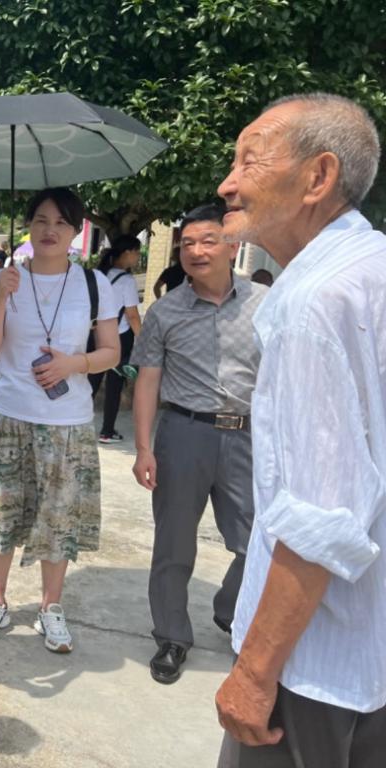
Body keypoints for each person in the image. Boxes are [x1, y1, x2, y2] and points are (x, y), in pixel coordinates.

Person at [214, 94, 386, 766]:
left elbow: (322, 514)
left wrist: (255, 673)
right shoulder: (371, 269)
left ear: (318, 177)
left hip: (314, 665)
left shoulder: (313, 303)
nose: (226, 184)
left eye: (249, 160)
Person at [0, 188, 120, 652]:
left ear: (75, 232)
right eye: (40, 220)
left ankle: (51, 606)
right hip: (8, 412)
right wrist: (0, 296)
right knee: (2, 512)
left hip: (67, 421)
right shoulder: (4, 278)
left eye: (61, 222)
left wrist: (73, 364)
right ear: (29, 226)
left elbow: (111, 352)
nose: (49, 230)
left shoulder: (94, 284)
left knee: (58, 516)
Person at [130, 203, 266, 685]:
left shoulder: (266, 302)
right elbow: (148, 381)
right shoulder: (165, 311)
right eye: (187, 243)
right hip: (184, 433)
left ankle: (231, 609)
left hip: (248, 435)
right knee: (174, 542)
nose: (196, 251)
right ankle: (171, 635)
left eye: (208, 240)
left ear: (232, 245)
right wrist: (143, 447)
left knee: (259, 539)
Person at [89, 235, 142, 442]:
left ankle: (76, 425)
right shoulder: (126, 280)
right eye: (137, 252)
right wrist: (143, 341)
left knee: (90, 383)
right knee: (114, 386)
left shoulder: (98, 274)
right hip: (119, 338)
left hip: (95, 336)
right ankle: (107, 431)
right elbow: (132, 315)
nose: (138, 257)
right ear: (127, 252)